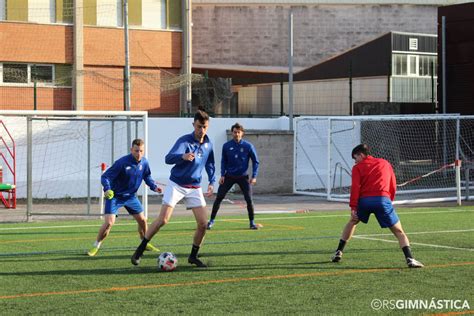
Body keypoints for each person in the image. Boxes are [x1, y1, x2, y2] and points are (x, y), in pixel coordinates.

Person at [131, 109, 215, 268]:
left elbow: (210, 163)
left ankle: (193, 256)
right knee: (163, 220)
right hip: (176, 185)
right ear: (193, 125)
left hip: (194, 187)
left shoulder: (208, 144)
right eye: (198, 127)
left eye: (204, 127)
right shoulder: (184, 141)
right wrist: (182, 157)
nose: (201, 130)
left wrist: (211, 181)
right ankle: (139, 250)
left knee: (203, 224)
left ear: (207, 126)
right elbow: (168, 158)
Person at [331, 144, 424, 268]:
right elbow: (393, 184)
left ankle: (339, 251)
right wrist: (388, 200)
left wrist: (353, 207)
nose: (355, 161)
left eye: (355, 158)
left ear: (361, 155)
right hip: (382, 200)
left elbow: (355, 188)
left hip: (364, 202)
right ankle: (410, 259)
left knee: (353, 221)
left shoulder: (357, 167)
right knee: (399, 232)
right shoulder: (385, 163)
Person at [87, 138, 162, 257]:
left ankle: (144, 242)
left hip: (131, 197)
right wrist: (107, 188)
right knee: (109, 223)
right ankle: (96, 245)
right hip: (115, 196)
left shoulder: (144, 163)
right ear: (131, 150)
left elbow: (147, 176)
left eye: (141, 151)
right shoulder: (121, 163)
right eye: (136, 151)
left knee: (143, 220)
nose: (139, 154)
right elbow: (105, 177)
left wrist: (154, 187)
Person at [207, 122, 260, 230]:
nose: (236, 134)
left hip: (243, 177)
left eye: (238, 132)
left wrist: (254, 176)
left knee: (249, 199)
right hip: (229, 176)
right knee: (219, 198)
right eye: (235, 132)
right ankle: (211, 221)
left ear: (242, 133)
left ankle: (252, 223)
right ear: (232, 133)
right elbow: (223, 161)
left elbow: (256, 161)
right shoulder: (226, 146)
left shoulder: (248, 146)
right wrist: (222, 175)